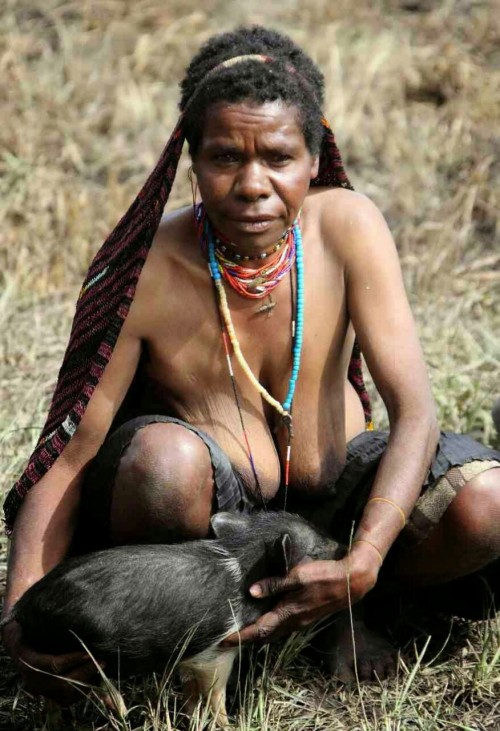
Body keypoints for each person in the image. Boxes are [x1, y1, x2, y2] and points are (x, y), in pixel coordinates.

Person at [2, 26, 500, 705]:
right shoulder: (149, 270)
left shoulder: (349, 227)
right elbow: (68, 459)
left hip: (338, 501)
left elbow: (415, 412)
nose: (252, 184)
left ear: (315, 155)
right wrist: (20, 617)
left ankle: (352, 611)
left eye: (278, 156)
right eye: (224, 157)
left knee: (485, 505)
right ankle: (191, 643)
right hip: (209, 539)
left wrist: (366, 559)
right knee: (162, 468)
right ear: (192, 161)